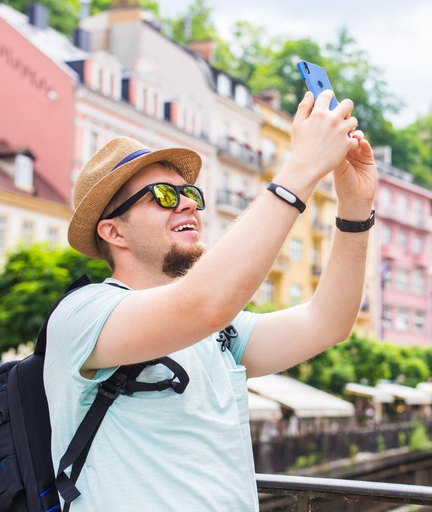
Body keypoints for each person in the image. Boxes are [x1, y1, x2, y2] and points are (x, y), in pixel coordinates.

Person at [43, 90, 376, 511]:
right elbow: (204, 303)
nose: (187, 204)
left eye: (191, 195)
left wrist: (357, 206)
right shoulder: (84, 313)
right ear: (114, 232)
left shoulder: (216, 333)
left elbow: (327, 322)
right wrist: (302, 167)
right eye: (163, 195)